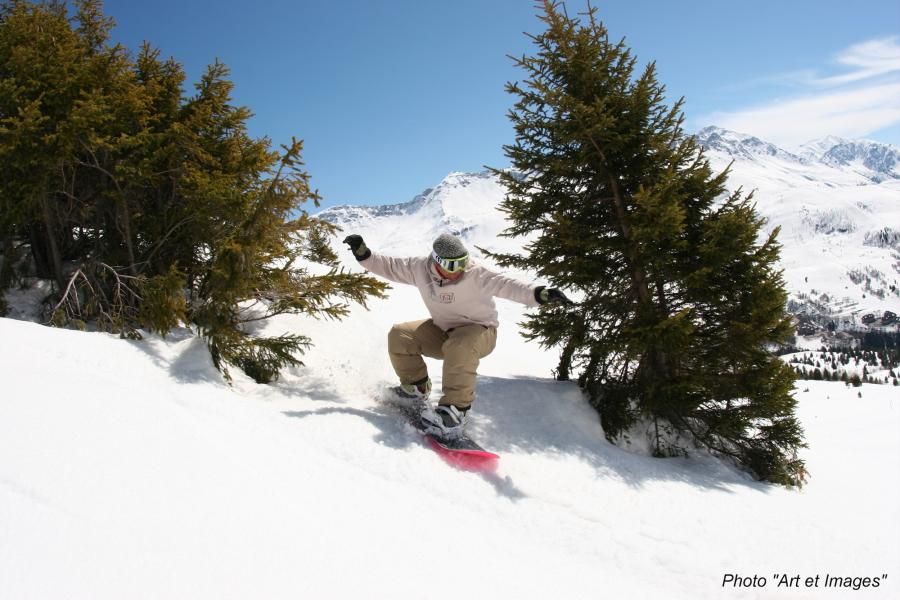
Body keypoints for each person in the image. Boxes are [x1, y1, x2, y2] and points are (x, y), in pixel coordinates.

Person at [343, 232, 571, 440]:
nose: (460, 269)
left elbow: (507, 284)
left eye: (463, 262)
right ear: (438, 261)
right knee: (401, 334)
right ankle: (415, 388)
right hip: (444, 330)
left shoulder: (476, 274)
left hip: (480, 331)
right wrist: (363, 254)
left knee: (459, 345)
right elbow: (390, 266)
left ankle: (455, 413)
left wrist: (539, 294)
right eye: (454, 265)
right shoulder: (420, 268)